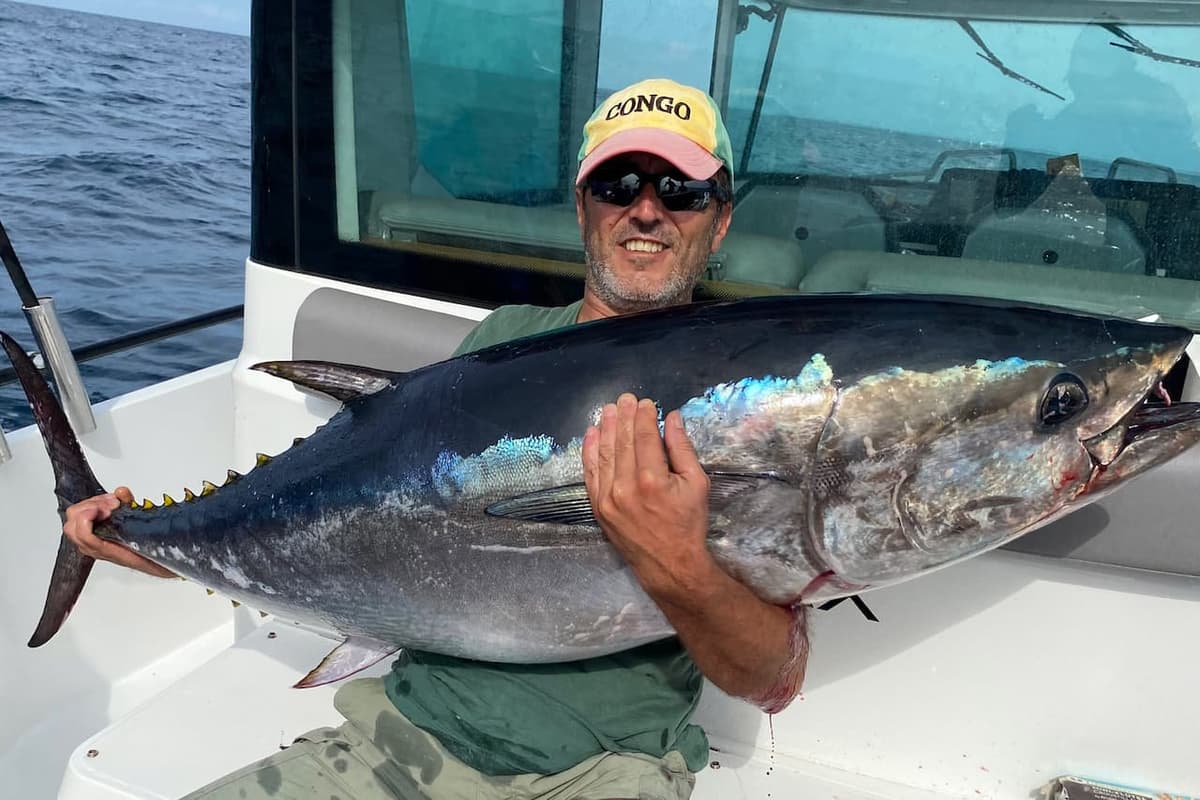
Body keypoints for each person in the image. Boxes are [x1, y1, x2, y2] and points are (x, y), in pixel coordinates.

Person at [62, 78, 809, 800]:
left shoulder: (757, 396)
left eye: (679, 191)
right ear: (583, 207)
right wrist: (148, 543)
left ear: (720, 218)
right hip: (403, 746)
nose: (647, 210)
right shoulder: (501, 345)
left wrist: (681, 562)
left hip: (612, 771)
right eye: (620, 186)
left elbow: (768, 677)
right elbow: (348, 528)